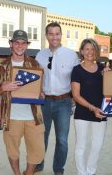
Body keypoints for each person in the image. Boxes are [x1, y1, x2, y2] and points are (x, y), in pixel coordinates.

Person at [0, 30, 45, 175]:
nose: (20, 46)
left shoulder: (34, 64)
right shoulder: (2, 66)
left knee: (38, 151)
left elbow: (40, 88)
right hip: (11, 116)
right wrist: (3, 87)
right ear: (11, 44)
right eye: (17, 42)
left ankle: (28, 172)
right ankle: (16, 173)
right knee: (12, 150)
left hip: (33, 116)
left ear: (26, 45)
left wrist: (40, 93)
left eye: (23, 43)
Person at [35, 22, 79, 175]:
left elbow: (77, 78)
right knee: (42, 136)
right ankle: (39, 164)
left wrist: (75, 97)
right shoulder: (40, 55)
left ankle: (58, 169)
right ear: (46, 35)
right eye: (51, 34)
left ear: (61, 35)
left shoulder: (71, 55)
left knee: (62, 140)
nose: (54, 37)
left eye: (57, 33)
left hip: (64, 103)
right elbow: (37, 79)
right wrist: (38, 90)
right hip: (45, 102)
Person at [71, 38, 107, 175]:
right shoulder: (77, 70)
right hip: (83, 113)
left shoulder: (104, 70)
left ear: (96, 51)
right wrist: (92, 108)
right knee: (81, 146)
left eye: (92, 49)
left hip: (101, 113)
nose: (90, 52)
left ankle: (90, 172)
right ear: (81, 51)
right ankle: (82, 173)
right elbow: (76, 95)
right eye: (86, 49)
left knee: (97, 146)